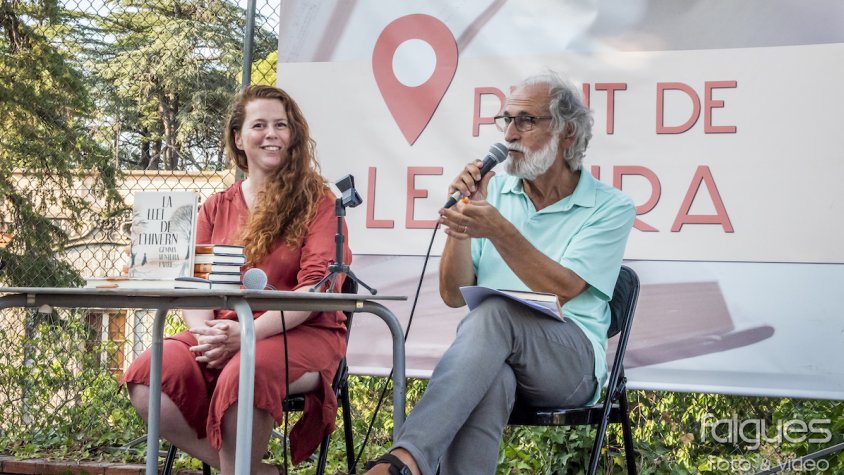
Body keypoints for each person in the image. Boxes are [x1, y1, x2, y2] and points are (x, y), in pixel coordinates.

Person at [364, 72, 636, 475]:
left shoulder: (610, 206)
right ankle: (406, 464)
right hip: (495, 356)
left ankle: (405, 461)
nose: (509, 134)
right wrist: (462, 223)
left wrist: (498, 229)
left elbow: (563, 288)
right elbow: (453, 295)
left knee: (494, 312)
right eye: (506, 120)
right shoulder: (494, 194)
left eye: (526, 121)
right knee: (491, 382)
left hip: (570, 364)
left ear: (567, 132)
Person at [122, 84, 351, 475]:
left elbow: (315, 291)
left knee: (245, 373)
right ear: (239, 138)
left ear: (293, 135)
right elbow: (196, 287)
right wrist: (208, 334)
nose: (271, 134)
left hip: (301, 333)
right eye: (259, 125)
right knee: (150, 374)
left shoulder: (320, 202)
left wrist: (245, 334)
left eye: (281, 125)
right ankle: (253, 472)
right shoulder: (216, 207)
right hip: (223, 331)